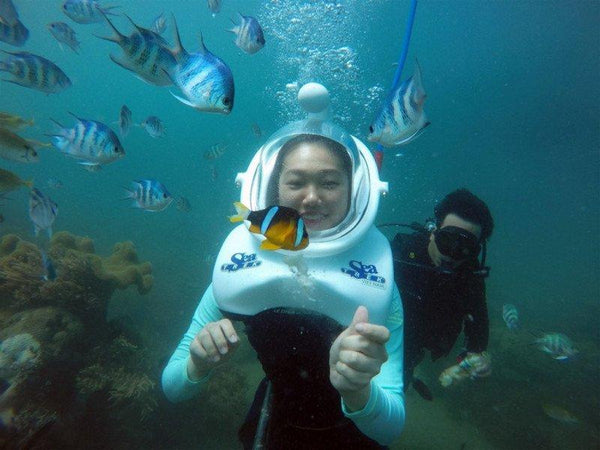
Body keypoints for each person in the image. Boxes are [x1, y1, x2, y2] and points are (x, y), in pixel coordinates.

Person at [162, 84, 405, 449]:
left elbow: (390, 426)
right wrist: (197, 362)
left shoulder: (374, 277)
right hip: (274, 422)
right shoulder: (242, 261)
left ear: (355, 190)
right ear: (275, 188)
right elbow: (172, 387)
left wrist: (357, 391)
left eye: (329, 182)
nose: (311, 197)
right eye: (295, 182)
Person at [389, 188, 493, 400]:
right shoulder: (399, 253)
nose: (452, 255)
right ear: (433, 229)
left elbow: (477, 341)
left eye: (465, 248)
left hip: (410, 353)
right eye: (447, 241)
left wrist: (477, 361)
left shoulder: (470, 278)